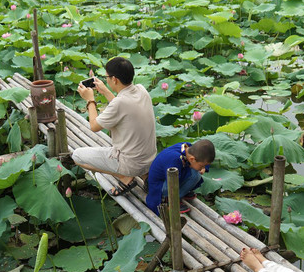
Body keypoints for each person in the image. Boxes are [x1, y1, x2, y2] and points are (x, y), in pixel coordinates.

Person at [75, 57, 157, 196]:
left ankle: (125, 177)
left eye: (107, 77)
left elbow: (94, 126)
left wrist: (90, 100)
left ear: (114, 79)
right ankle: (145, 175)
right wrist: (106, 91)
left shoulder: (119, 103)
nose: (106, 79)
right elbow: (124, 107)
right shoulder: (141, 90)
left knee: (77, 156)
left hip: (130, 164)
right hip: (150, 160)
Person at [145, 139, 214, 215]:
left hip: (169, 179)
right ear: (192, 159)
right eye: (201, 165)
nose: (202, 168)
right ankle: (171, 200)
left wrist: (204, 168)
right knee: (195, 176)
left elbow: (203, 159)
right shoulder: (174, 159)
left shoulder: (187, 147)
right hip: (159, 186)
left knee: (195, 172)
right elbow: (174, 181)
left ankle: (182, 192)